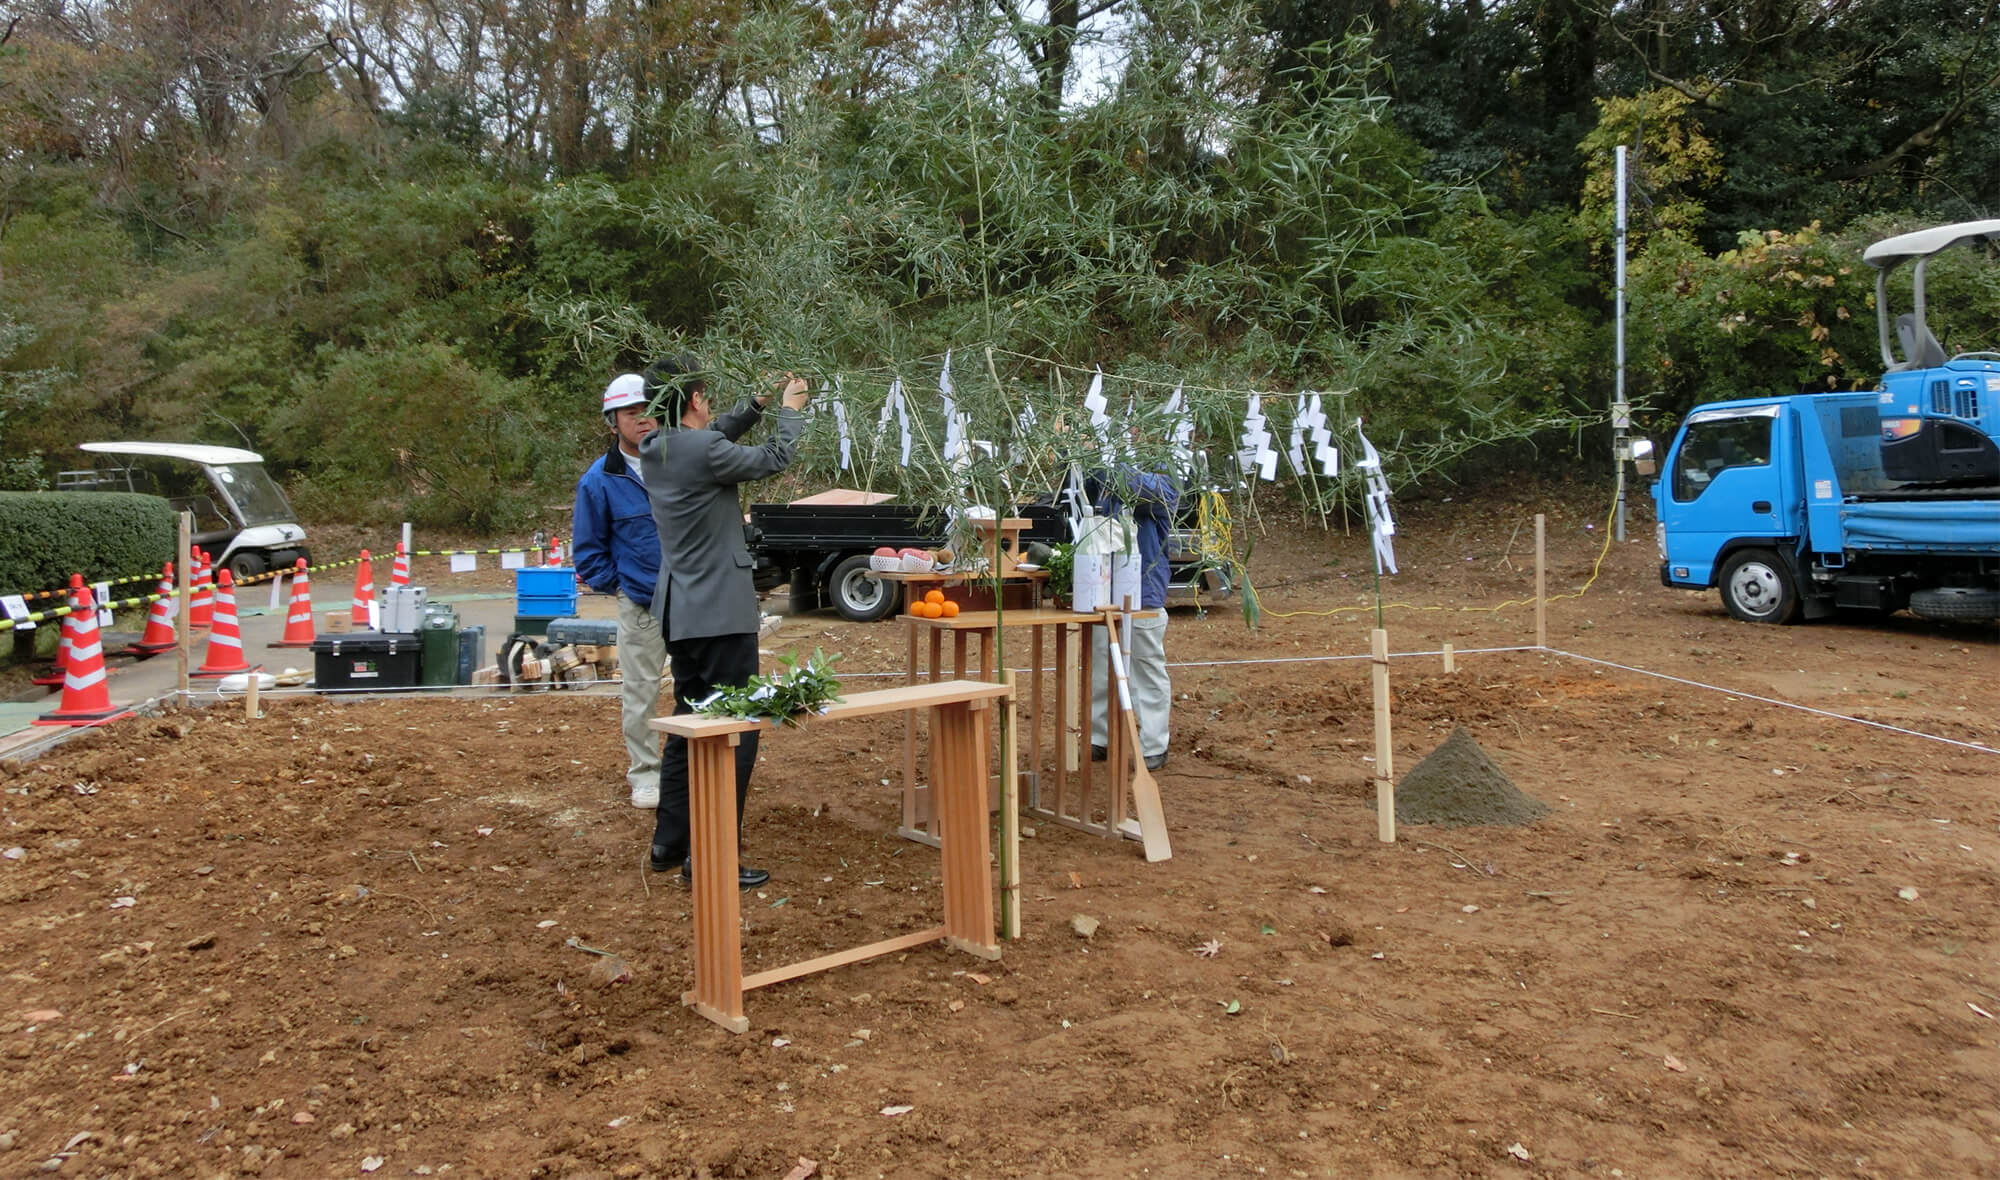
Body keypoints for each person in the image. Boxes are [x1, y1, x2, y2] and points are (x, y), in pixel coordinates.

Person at [638, 354, 811, 888]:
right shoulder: (703, 449)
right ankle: (714, 857)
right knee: (737, 728)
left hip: (682, 610)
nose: (710, 403)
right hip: (721, 612)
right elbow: (776, 457)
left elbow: (712, 436)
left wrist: (754, 405)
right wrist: (790, 410)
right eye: (706, 394)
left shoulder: (656, 446)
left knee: (688, 723)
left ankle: (670, 842)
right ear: (693, 399)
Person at [571, 373, 666, 809]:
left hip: (693, 598)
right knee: (641, 692)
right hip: (642, 604)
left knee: (699, 686)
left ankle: (691, 768)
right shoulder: (599, 480)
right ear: (613, 422)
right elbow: (588, 553)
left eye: (648, 409)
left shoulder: (677, 462)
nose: (643, 419)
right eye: (631, 413)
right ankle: (646, 774)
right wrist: (625, 587)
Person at [1086, 460, 1179, 772]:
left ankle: (1154, 743)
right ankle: (1102, 735)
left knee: (1146, 667)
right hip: (1103, 588)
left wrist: (1108, 462)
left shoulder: (1162, 478)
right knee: (1102, 663)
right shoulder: (1102, 476)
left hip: (1143, 591)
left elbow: (1145, 490)